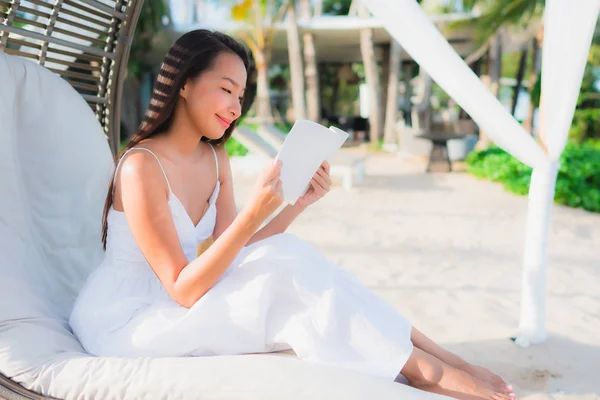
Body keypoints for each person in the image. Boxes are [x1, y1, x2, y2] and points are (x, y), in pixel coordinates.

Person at [69, 30, 515, 400]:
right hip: (137, 317)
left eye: (240, 95)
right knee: (287, 275)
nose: (234, 107)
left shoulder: (214, 158)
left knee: (289, 254)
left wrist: (292, 206)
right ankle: (426, 372)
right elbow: (182, 289)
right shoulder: (141, 165)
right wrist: (258, 209)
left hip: (191, 291)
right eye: (225, 89)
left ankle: (441, 360)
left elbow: (233, 251)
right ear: (183, 83)